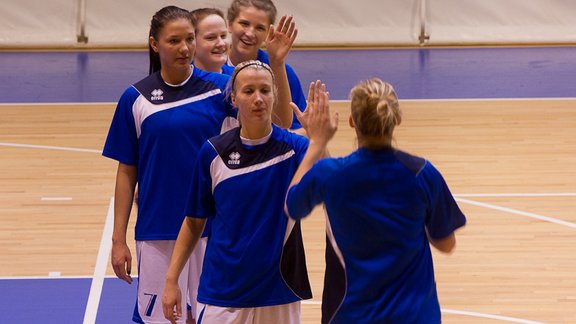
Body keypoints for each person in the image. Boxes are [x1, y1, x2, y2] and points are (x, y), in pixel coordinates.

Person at [102, 5, 297, 323]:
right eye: (174, 41)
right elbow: (126, 171)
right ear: (155, 44)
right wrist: (118, 239)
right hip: (157, 232)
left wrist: (276, 62)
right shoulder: (135, 99)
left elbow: (280, 122)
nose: (184, 48)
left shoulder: (221, 89)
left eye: (190, 39)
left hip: (212, 233)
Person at [285, 78, 467, 323]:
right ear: (397, 119)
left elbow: (292, 204)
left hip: (350, 314)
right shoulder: (423, 173)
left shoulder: (331, 174)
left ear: (352, 122)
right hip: (414, 315)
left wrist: (317, 142)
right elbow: (446, 244)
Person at [162, 62, 323, 324]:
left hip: (279, 290)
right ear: (234, 99)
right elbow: (193, 222)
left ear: (274, 96)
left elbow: (326, 182)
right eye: (248, 91)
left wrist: (319, 140)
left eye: (264, 90)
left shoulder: (295, 148)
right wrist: (171, 280)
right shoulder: (213, 153)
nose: (258, 98)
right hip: (223, 290)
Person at [225, 0, 307, 130]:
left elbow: (300, 129)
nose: (250, 33)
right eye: (244, 24)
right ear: (229, 24)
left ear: (268, 32)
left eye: (259, 28)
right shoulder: (212, 67)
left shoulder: (281, 72)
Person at [189, 8, 234, 75]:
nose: (221, 43)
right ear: (192, 42)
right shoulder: (181, 79)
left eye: (223, 36)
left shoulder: (239, 76)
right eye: (210, 38)